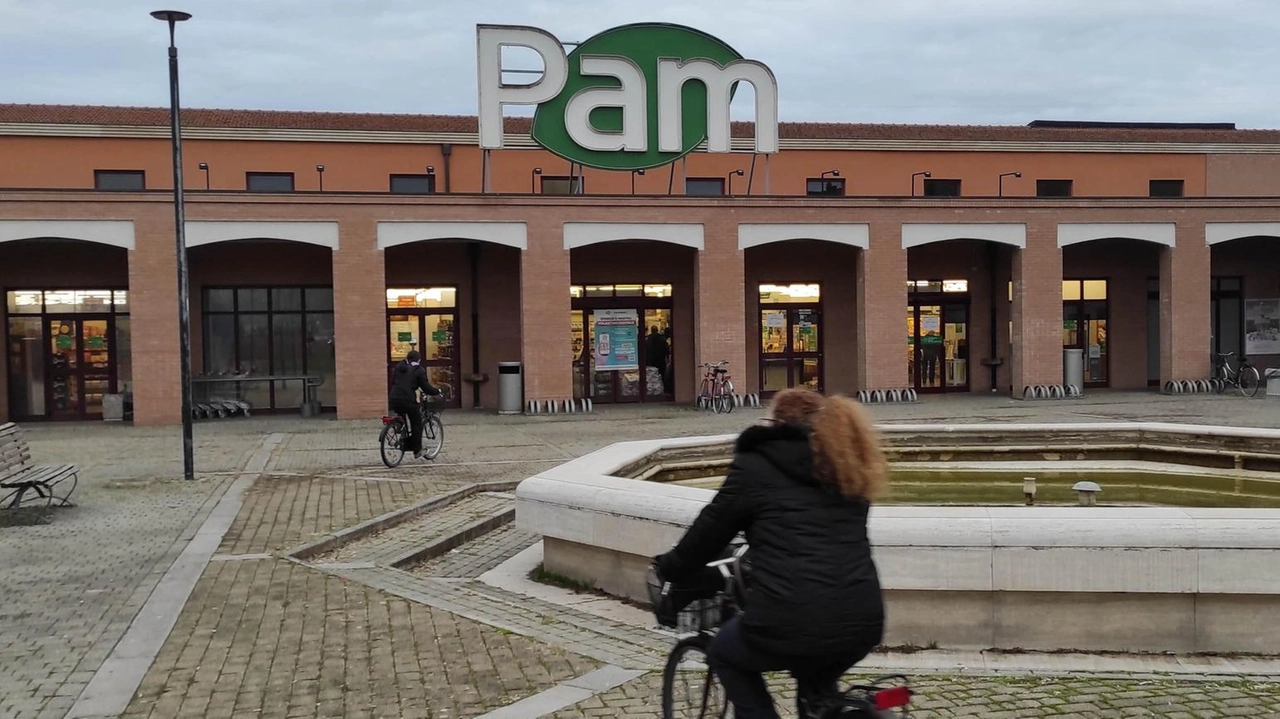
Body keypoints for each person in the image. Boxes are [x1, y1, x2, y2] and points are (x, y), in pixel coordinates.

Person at [652, 388, 888, 719]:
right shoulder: (845, 468)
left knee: (724, 652)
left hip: (792, 617)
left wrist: (671, 568)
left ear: (775, 424)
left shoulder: (756, 464)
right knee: (817, 690)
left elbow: (708, 533)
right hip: (862, 619)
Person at [388, 349, 443, 459]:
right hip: (408, 400)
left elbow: (393, 382)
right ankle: (417, 450)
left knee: (402, 417)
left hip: (394, 398)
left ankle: (400, 431)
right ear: (419, 360)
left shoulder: (399, 367)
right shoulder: (419, 370)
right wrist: (437, 391)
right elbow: (425, 387)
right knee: (416, 423)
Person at [645, 325, 670, 393]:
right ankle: (662, 389)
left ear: (651, 330)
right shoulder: (662, 339)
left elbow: (645, 350)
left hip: (651, 360)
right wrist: (667, 357)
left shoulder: (648, 339)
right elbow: (667, 350)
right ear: (657, 330)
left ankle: (650, 390)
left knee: (651, 376)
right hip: (660, 360)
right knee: (661, 375)